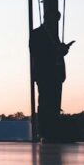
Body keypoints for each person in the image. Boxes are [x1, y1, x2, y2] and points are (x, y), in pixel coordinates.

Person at [30, 8, 74, 142]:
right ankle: (44, 133)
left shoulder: (51, 34)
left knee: (53, 103)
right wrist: (57, 51)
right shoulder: (37, 34)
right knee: (45, 103)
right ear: (47, 18)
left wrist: (61, 50)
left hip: (55, 74)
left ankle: (51, 131)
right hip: (45, 75)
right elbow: (36, 53)